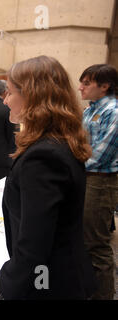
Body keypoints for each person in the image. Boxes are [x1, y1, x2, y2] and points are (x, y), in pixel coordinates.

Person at [0, 55, 96, 299]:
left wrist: (7, 281)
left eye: (10, 93)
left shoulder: (43, 156)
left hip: (48, 284)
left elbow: (35, 244)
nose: (6, 101)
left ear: (32, 96)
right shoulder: (58, 142)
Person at [78, 64, 117, 300]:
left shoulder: (113, 111)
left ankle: (103, 295)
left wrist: (69, 166)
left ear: (105, 86)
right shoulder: (90, 110)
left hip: (100, 182)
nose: (80, 87)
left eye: (86, 83)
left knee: (96, 244)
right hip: (87, 177)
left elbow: (100, 154)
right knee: (85, 240)